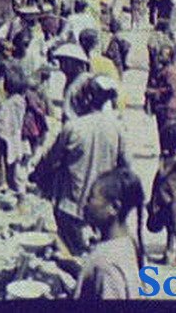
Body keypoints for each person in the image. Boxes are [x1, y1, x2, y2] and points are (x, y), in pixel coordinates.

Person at [30, 76, 131, 255]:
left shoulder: (73, 127)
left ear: (87, 98)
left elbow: (50, 160)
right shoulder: (117, 129)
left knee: (71, 251)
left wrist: (36, 176)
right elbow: (126, 167)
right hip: (101, 205)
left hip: (70, 206)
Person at [74, 167, 145, 299]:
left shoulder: (105, 265)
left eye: (91, 198)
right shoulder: (127, 242)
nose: (85, 204)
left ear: (114, 207)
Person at [0, 69, 30, 201]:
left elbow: (2, 121)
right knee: (15, 167)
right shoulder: (21, 100)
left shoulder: (9, 103)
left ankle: (20, 198)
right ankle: (17, 195)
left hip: (9, 137)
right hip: (16, 137)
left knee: (13, 169)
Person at [148, 122, 176, 267]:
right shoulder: (172, 157)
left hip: (172, 198)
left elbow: (162, 173)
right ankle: (168, 253)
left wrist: (161, 160)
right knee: (169, 227)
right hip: (165, 197)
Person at [145, 44, 176, 139]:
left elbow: (171, 89)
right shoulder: (164, 69)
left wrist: (154, 92)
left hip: (168, 107)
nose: (160, 57)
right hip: (162, 106)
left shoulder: (171, 72)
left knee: (166, 133)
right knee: (161, 131)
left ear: (170, 58)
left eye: (163, 55)